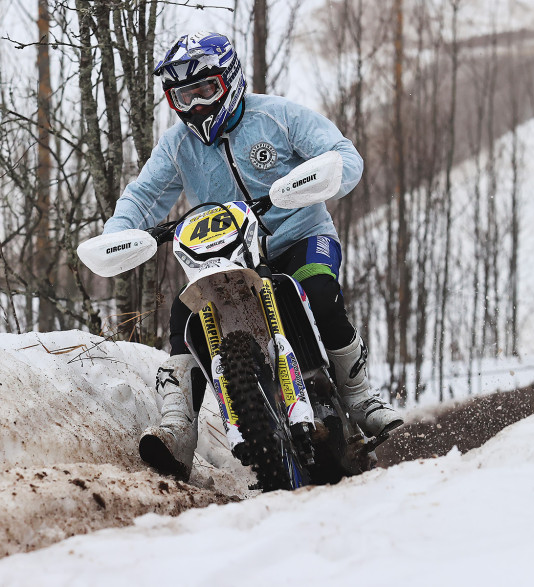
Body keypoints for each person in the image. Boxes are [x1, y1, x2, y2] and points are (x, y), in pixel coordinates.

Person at [102, 31, 402, 480]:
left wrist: (319, 181)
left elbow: (342, 153)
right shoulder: (177, 146)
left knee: (319, 292)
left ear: (231, 79)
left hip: (299, 236)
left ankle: (360, 399)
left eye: (206, 89)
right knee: (184, 321)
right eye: (185, 95)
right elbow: (144, 195)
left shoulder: (277, 116)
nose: (197, 105)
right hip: (228, 258)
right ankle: (178, 431)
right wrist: (118, 232)